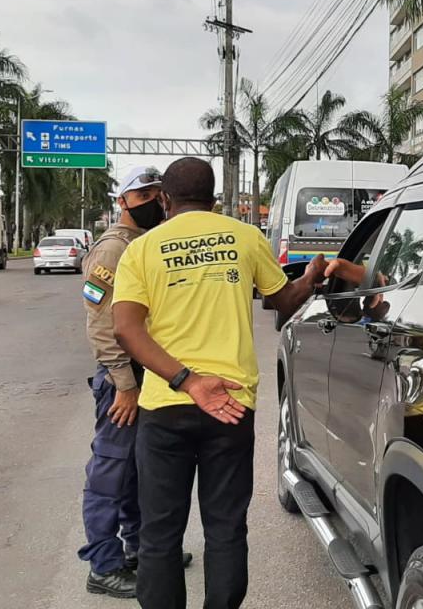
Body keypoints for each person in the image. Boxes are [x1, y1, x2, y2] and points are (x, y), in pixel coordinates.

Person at [112, 158, 326, 609]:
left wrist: (187, 381)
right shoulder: (245, 237)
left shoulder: (142, 250)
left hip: (164, 405)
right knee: (225, 526)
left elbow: (126, 330)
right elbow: (284, 300)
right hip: (230, 404)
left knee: (159, 532)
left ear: (165, 199)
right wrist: (309, 279)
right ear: (215, 200)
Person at [78, 167, 194, 598]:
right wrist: (125, 384)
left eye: (156, 194)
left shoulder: (146, 243)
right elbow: (101, 324)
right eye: (142, 195)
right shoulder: (112, 250)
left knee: (136, 472)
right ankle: (103, 566)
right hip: (122, 379)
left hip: (146, 376)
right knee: (110, 471)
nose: (152, 202)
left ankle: (140, 550)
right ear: (123, 202)